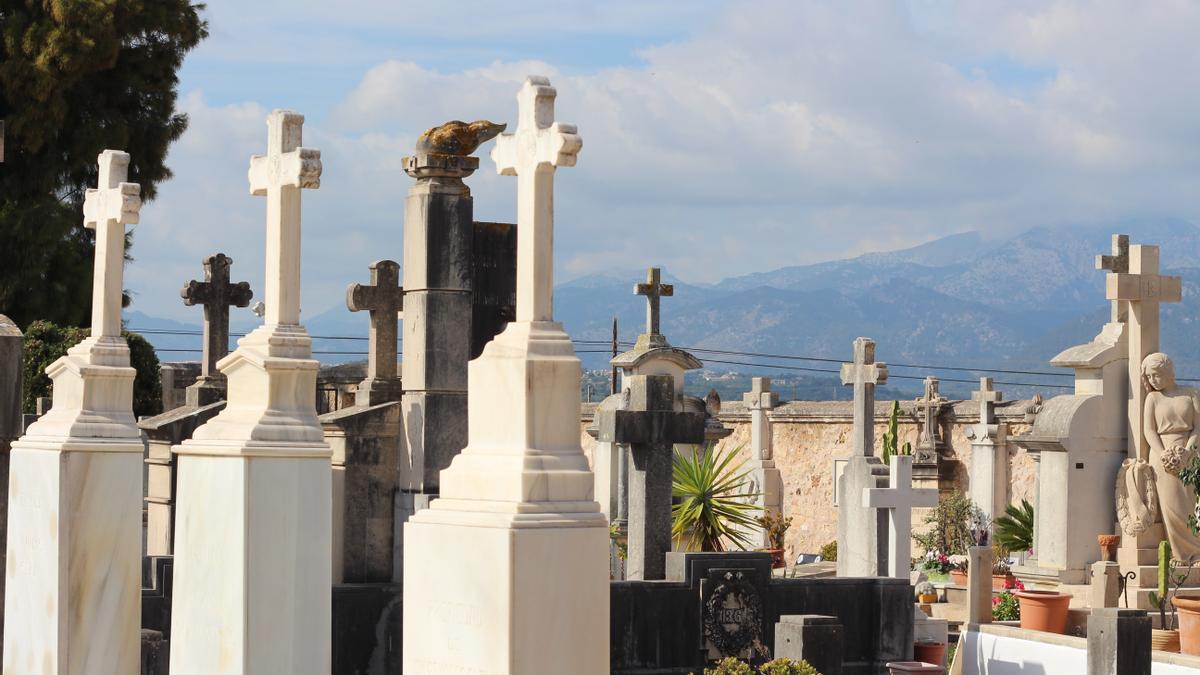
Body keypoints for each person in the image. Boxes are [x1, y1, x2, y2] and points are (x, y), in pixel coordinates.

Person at [1142, 352, 1200, 560]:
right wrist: (1162, 453)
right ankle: (1181, 554)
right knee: (1171, 506)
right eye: (1149, 377)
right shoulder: (1152, 398)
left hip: (1189, 454)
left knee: (1190, 504)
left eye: (1156, 375)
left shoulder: (1191, 393)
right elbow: (1149, 431)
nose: (1152, 380)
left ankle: (1197, 550)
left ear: (1168, 372)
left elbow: (1198, 427)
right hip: (1162, 456)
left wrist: (1187, 450)